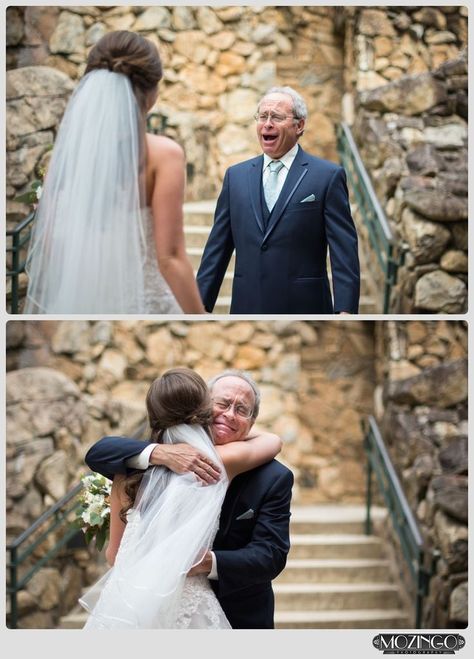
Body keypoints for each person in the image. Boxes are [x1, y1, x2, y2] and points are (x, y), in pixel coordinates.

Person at [85, 369, 294, 628]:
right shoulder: (146, 460)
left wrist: (210, 563)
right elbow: (98, 452)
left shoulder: (274, 477)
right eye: (223, 403)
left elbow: (271, 555)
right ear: (204, 406)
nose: (229, 414)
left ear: (252, 421)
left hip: (236, 612)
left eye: (242, 409)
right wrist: (161, 453)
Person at [25, 30, 204, 314]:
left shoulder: (66, 161)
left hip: (80, 304)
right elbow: (169, 258)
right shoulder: (164, 155)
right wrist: (200, 317)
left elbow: (52, 250)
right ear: (152, 92)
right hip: (145, 306)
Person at [196, 86, 360, 314]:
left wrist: (346, 310)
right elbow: (217, 248)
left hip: (306, 308)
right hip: (246, 307)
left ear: (299, 125)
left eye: (277, 117)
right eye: (263, 116)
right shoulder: (236, 176)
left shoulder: (327, 176)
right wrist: (200, 305)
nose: (267, 123)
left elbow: (344, 251)